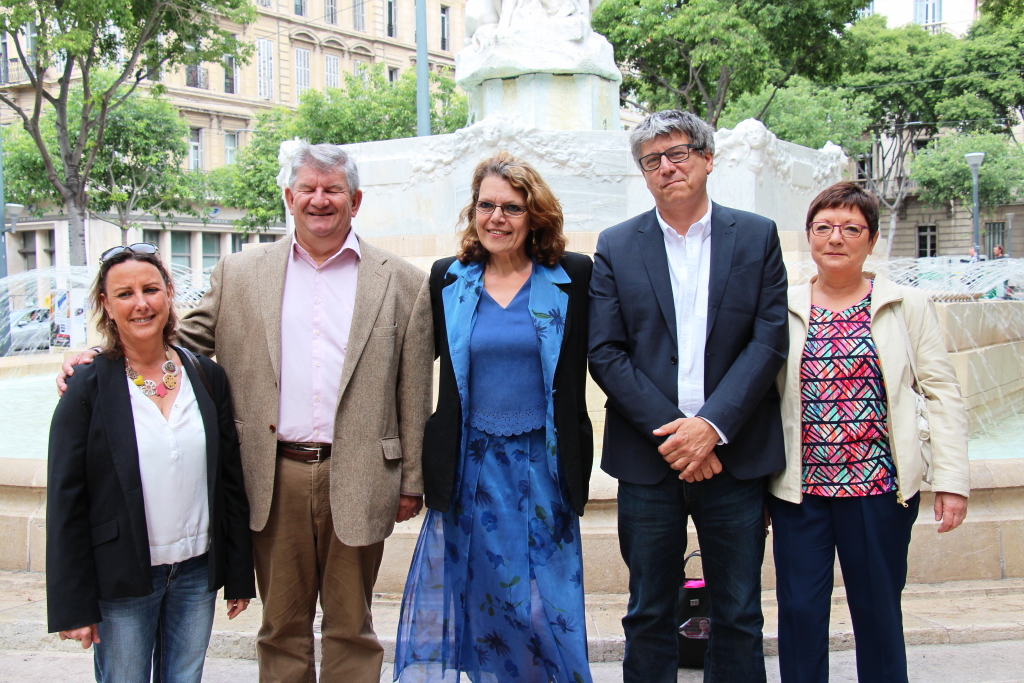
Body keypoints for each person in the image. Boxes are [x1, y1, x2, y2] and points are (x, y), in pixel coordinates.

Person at [59, 142, 434, 683]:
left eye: (332, 190)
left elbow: (414, 386)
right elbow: (172, 341)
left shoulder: (402, 281)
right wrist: (97, 358)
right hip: (271, 474)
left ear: (355, 200)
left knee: (352, 628)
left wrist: (412, 480)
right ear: (289, 197)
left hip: (361, 475)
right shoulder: (241, 273)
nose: (320, 200)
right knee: (280, 628)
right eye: (308, 188)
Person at [588, 109, 788, 683]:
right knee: (648, 611)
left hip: (735, 454)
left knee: (740, 613)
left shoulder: (755, 235)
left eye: (678, 154)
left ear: (706, 159)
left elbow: (767, 341)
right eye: (652, 160)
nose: (666, 167)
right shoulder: (617, 244)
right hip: (650, 459)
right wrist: (679, 434)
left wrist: (711, 427)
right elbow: (605, 352)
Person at [393, 152, 594, 683]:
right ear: (473, 211)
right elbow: (412, 366)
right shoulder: (448, 280)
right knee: (486, 606)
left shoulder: (572, 275)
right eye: (487, 205)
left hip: (546, 467)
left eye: (512, 207)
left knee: (545, 607)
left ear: (535, 217)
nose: (496, 218)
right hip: (472, 472)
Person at [767, 182, 970, 683]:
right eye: (823, 227)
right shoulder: (782, 306)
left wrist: (952, 480)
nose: (835, 238)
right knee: (798, 615)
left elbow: (942, 394)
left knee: (879, 616)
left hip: (878, 490)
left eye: (851, 228)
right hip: (800, 493)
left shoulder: (907, 305)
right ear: (809, 237)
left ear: (872, 239)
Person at [47, 244, 255, 682]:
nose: (140, 303)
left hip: (195, 574)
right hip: (122, 579)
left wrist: (238, 575)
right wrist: (73, 605)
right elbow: (66, 502)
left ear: (168, 294)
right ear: (106, 304)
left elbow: (228, 481)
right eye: (124, 294)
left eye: (150, 289)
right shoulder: (87, 387)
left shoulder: (205, 375)